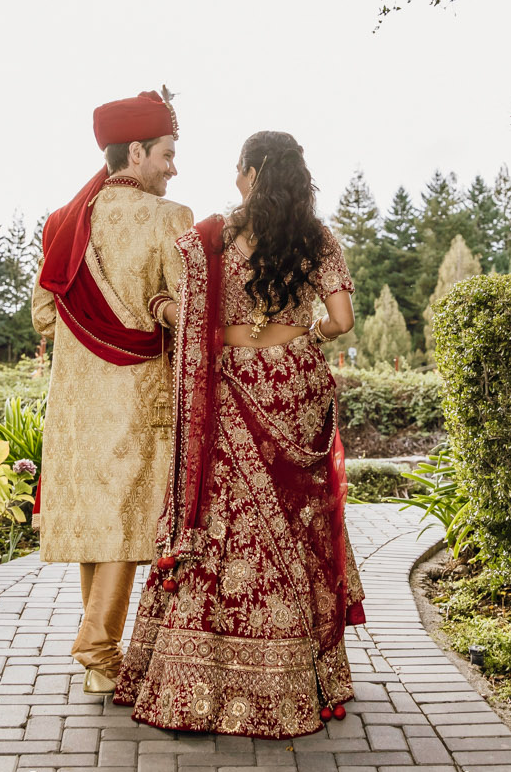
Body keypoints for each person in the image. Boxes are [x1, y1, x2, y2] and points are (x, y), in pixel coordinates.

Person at [113, 131, 366, 739]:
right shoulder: (318, 237)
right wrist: (301, 338)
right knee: (294, 521)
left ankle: (194, 676)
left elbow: (192, 310)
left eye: (237, 168)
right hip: (294, 385)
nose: (233, 178)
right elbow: (342, 320)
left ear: (253, 172)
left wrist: (163, 310)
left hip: (227, 383)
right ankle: (304, 673)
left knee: (222, 517)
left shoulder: (214, 237)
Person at [31, 90, 193, 694]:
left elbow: (44, 315)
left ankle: (102, 662)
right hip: (137, 392)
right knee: (128, 519)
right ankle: (98, 648)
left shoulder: (62, 222)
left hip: (74, 396)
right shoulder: (169, 219)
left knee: (102, 517)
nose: (174, 167)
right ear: (136, 151)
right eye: (168, 154)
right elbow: (191, 316)